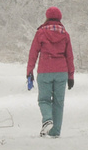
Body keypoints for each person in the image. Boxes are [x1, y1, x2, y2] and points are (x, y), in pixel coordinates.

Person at [26, 7, 75, 137]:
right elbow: (69, 56)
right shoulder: (65, 34)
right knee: (59, 102)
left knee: (44, 100)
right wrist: (71, 76)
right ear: (60, 18)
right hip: (61, 72)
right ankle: (55, 132)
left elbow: (33, 53)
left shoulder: (41, 33)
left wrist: (29, 71)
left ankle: (47, 119)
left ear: (47, 17)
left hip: (45, 71)